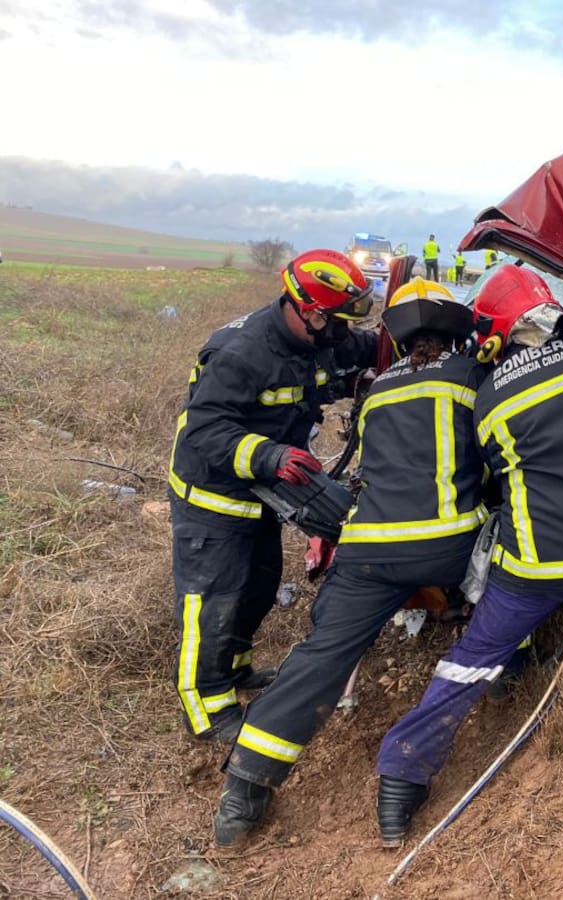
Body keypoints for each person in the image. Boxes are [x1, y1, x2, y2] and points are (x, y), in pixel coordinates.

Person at [373, 264, 563, 845]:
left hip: (536, 572)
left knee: (471, 659)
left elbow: (495, 481)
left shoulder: (490, 396)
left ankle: (401, 778)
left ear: (494, 333)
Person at [212, 277, 486, 847]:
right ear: (457, 332)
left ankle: (245, 792)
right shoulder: (472, 378)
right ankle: (507, 680)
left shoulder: (379, 390)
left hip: (368, 554)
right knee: (513, 590)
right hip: (448, 546)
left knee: (321, 656)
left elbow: (363, 466)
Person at [169, 249, 377, 743]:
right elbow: (205, 430)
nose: (346, 334)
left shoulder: (321, 340)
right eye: (339, 323)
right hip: (213, 496)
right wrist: (268, 457)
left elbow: (370, 348)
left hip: (260, 495)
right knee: (213, 600)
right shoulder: (241, 353)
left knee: (258, 586)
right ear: (309, 311)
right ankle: (207, 710)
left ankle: (236, 671)